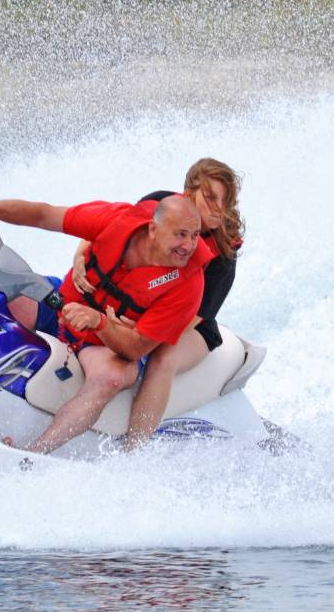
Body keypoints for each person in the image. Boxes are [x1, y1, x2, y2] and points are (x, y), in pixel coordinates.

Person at [0, 193, 212, 455]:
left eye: (194, 235)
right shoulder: (116, 220)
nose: (188, 246)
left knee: (113, 378)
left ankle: (34, 454)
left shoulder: (189, 285)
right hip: (58, 306)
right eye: (180, 234)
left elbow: (136, 349)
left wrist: (99, 322)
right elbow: (43, 214)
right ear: (153, 228)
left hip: (105, 344)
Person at [69, 158, 245, 449]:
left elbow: (192, 318)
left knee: (163, 357)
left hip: (192, 327)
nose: (218, 208)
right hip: (138, 308)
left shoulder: (222, 258)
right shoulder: (158, 205)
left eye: (224, 201)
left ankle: (134, 448)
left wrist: (140, 329)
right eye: (210, 198)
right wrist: (79, 257)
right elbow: (110, 230)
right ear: (189, 193)